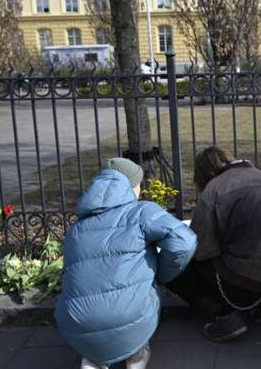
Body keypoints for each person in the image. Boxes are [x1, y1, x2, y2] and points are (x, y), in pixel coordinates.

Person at [55, 158, 198, 369]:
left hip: (74, 325)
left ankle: (92, 358)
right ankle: (137, 354)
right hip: (130, 316)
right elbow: (184, 242)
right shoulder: (142, 212)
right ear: (131, 186)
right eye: (139, 184)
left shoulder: (76, 229)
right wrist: (160, 274)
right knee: (136, 294)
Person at [165, 146, 261, 342]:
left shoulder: (215, 188)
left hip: (243, 281)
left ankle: (225, 317)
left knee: (171, 266)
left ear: (207, 173)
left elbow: (202, 251)